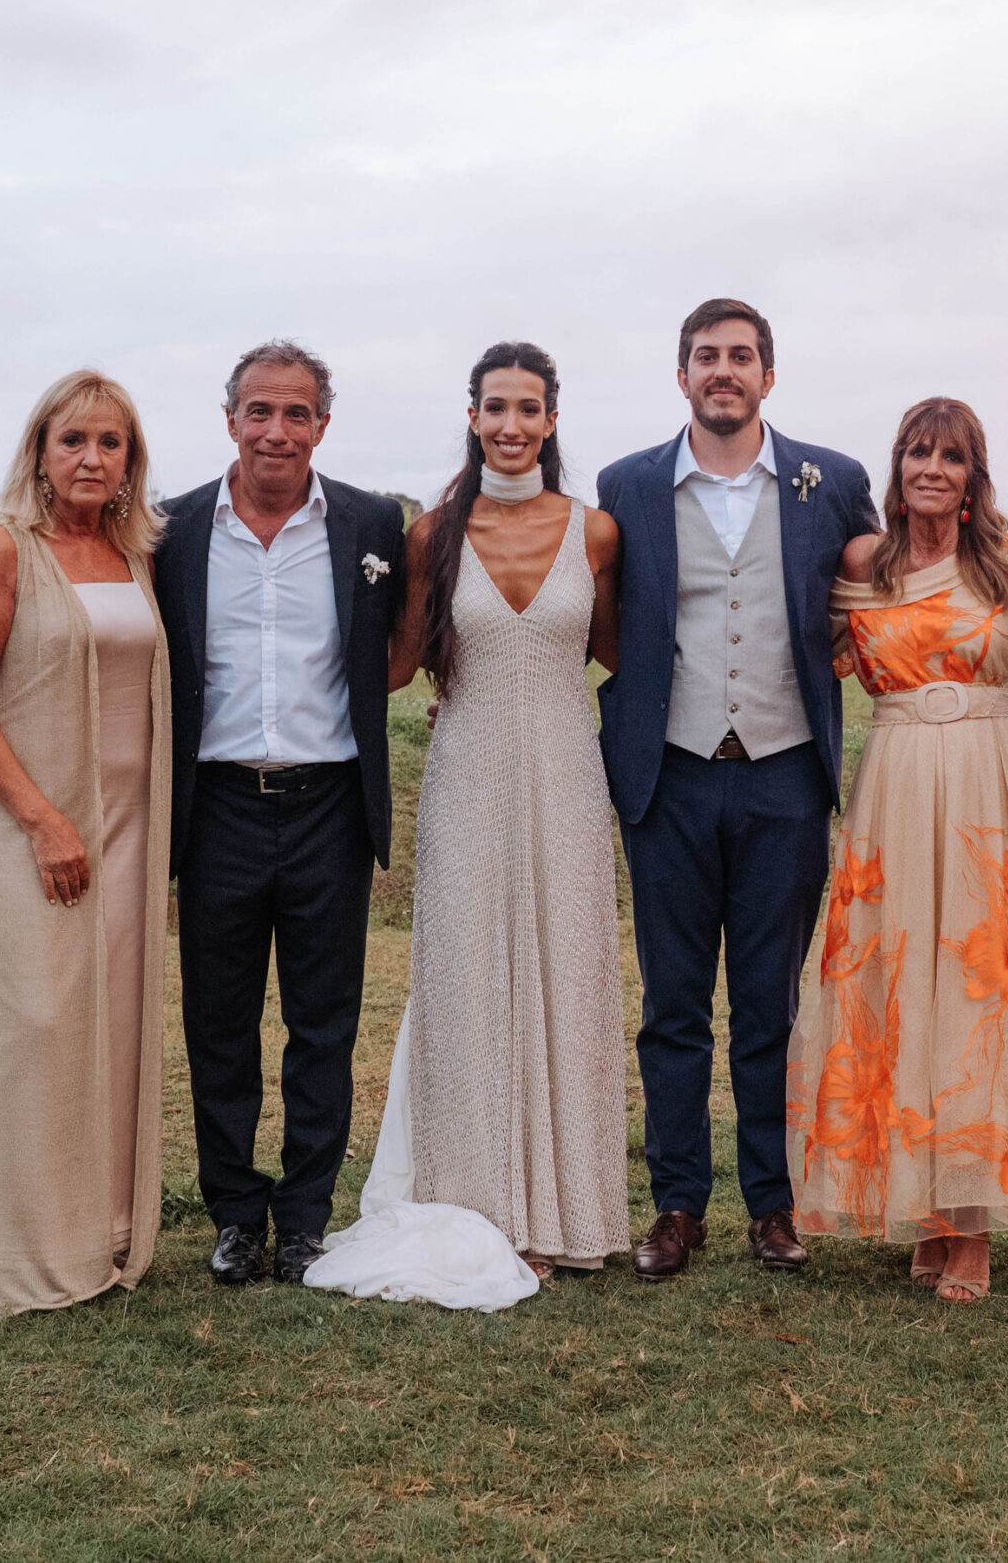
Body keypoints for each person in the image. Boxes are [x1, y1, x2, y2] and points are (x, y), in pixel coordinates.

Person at [304, 341, 628, 1308]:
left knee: (568, 971)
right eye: (496, 407)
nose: (511, 425)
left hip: (567, 771)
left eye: (529, 408)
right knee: (467, 976)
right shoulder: (430, 536)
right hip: (468, 773)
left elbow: (621, 653)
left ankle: (569, 1212)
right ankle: (478, 1204)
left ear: (552, 419)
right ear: (474, 415)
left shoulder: (596, 533)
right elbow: (399, 663)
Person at [590, 297, 877, 1280]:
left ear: (767, 374)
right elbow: (596, 607)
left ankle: (772, 1202)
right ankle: (677, 1203)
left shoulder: (832, 480)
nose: (724, 370)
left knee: (769, 1004)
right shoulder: (626, 484)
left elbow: (888, 591)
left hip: (784, 773)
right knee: (672, 1003)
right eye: (707, 355)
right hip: (666, 774)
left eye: (741, 355)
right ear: (682, 375)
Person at [787, 398, 1008, 1303]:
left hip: (992, 792)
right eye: (917, 452)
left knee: (979, 987)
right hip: (894, 789)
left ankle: (972, 1226)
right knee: (902, 984)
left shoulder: (1006, 563)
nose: (932, 468)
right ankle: (925, 1208)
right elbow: (799, 644)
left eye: (951, 456)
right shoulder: (863, 565)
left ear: (972, 477)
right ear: (897, 468)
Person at [152, 341, 409, 1287]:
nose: (276, 430)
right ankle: (233, 1214)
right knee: (219, 1023)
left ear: (322, 426)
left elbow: (405, 641)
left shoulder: (372, 523)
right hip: (215, 803)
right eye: (259, 410)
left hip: (329, 805)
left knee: (323, 1024)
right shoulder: (172, 529)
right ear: (230, 420)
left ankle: (303, 1219)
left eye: (296, 412)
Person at [0, 369, 173, 1319]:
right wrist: (41, 818)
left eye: (111, 442)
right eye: (73, 439)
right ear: (40, 451)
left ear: (130, 460)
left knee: (107, 1025)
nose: (91, 458)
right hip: (33, 827)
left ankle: (99, 1228)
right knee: (34, 1026)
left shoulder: (133, 554)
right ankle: (23, 1247)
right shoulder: (4, 549)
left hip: (130, 828)